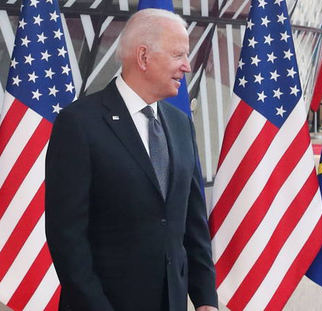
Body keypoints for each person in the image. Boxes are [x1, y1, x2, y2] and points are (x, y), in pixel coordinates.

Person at [45, 9, 218, 311]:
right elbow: (67, 238)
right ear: (143, 57)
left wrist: (205, 300)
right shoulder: (79, 124)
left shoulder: (180, 124)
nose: (187, 67)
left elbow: (192, 223)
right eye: (178, 55)